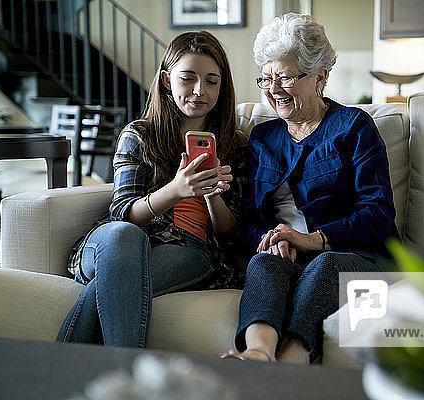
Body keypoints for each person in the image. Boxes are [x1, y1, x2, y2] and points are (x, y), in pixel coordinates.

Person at [220, 13, 398, 364]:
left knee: (324, 265)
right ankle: (257, 353)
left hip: (355, 257)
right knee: (263, 264)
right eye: (267, 78)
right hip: (288, 258)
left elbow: (377, 214)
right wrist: (275, 240)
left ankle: (292, 362)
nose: (274, 89)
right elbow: (249, 221)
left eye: (285, 77)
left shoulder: (353, 127)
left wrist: (311, 239)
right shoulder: (263, 138)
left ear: (321, 76)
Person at [57, 31, 247, 348]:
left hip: (190, 249)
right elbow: (122, 214)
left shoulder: (235, 145)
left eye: (212, 81)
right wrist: (176, 190)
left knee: (110, 284)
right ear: (166, 80)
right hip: (118, 242)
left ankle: (61, 376)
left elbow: (230, 232)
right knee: (123, 236)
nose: (200, 90)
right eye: (188, 78)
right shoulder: (140, 135)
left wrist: (212, 195)